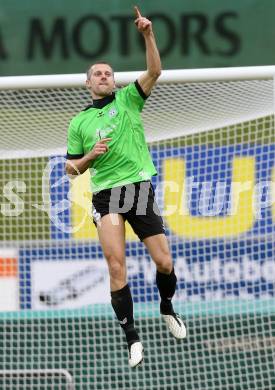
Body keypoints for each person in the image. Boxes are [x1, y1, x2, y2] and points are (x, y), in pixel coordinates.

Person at [66, 6, 186, 368]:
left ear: (114, 81)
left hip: (138, 190)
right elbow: (72, 169)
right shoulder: (80, 122)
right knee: (115, 265)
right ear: (88, 83)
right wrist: (89, 156)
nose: (103, 76)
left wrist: (148, 34)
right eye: (97, 74)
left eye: (108, 73)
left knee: (164, 261)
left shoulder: (129, 99)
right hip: (108, 197)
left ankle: (166, 306)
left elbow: (155, 70)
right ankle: (132, 337)